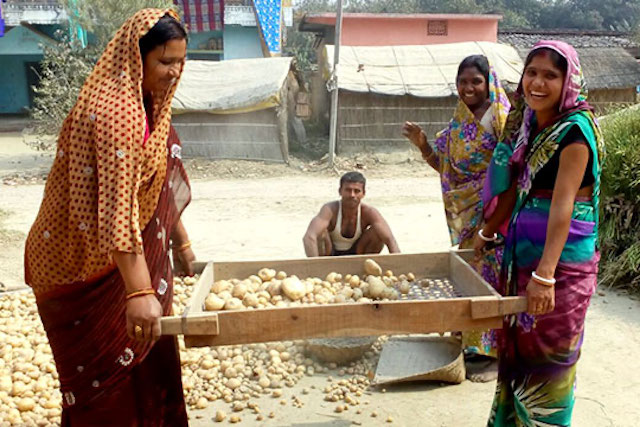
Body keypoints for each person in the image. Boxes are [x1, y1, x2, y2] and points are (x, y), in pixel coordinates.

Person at [24, 9, 194, 425]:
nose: (175, 72)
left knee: (148, 369)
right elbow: (117, 209)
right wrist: (139, 294)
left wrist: (179, 240)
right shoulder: (117, 113)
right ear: (137, 58)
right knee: (100, 388)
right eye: (165, 61)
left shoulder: (151, 101)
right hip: (77, 264)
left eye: (180, 61)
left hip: (126, 255)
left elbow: (153, 188)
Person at [475, 41, 603, 426]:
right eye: (532, 73)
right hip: (524, 261)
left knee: (549, 363)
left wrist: (544, 276)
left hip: (558, 269)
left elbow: (563, 206)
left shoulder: (575, 132)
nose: (538, 83)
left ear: (568, 81)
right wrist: (485, 234)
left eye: (550, 75)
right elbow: (518, 188)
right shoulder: (532, 125)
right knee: (519, 356)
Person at [402, 55, 511, 381]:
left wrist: (493, 215)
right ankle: (471, 342)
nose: (468, 88)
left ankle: (494, 355)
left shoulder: (500, 117)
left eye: (475, 81)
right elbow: (447, 170)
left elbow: (512, 167)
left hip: (496, 210)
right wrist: (423, 146)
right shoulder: (457, 124)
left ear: (488, 82)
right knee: (469, 274)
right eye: (463, 81)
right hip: (466, 214)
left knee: (493, 277)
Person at [303, 171, 400, 257]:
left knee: (378, 233)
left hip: (358, 254)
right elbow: (309, 237)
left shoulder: (369, 212)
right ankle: (322, 267)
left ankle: (365, 267)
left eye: (357, 191)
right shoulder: (330, 209)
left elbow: (390, 239)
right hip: (329, 255)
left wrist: (402, 266)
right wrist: (314, 268)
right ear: (340, 191)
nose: (352, 195)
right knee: (321, 232)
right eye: (348, 190)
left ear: (363, 193)